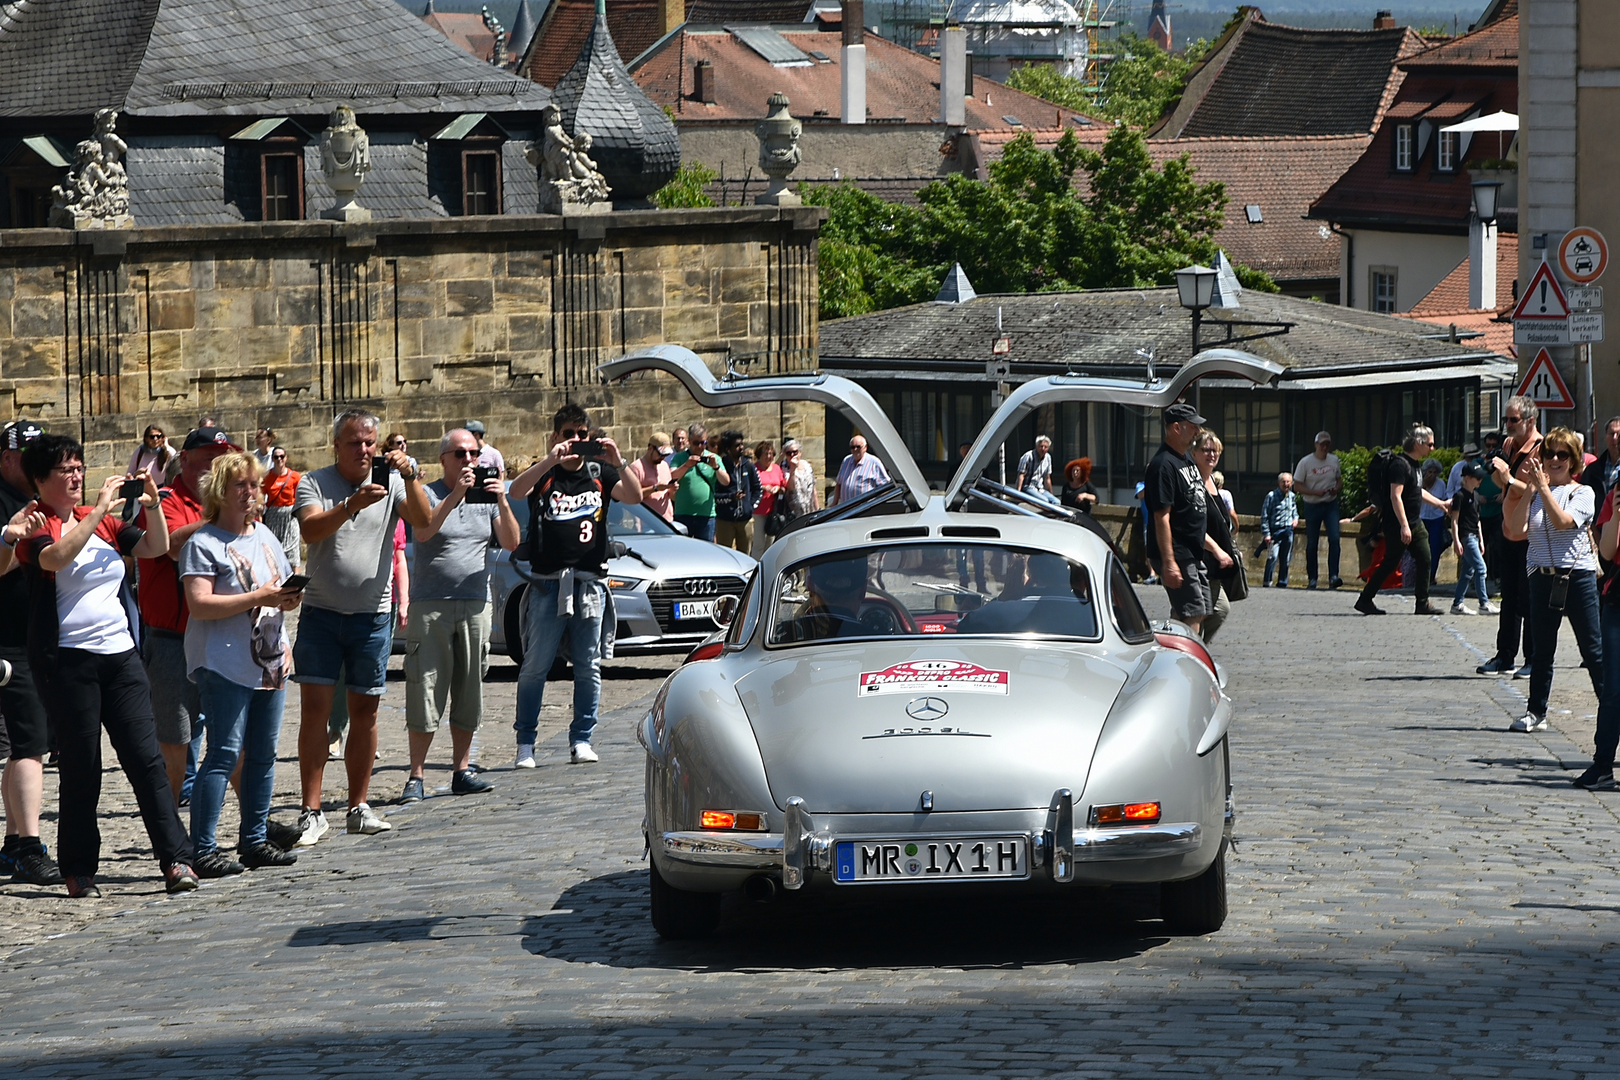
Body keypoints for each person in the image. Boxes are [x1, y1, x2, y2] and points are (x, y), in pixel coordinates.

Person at [11, 434, 197, 897]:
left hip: (120, 656)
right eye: (65, 470)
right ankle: (78, 868)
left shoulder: (109, 529)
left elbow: (154, 548)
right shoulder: (35, 525)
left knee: (146, 759)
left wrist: (152, 504)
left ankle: (177, 859)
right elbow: (54, 558)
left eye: (79, 467)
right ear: (39, 480)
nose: (76, 476)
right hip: (68, 662)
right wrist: (95, 512)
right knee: (82, 766)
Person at [291, 408, 431, 845]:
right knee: (315, 711)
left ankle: (358, 804)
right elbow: (311, 531)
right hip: (321, 613)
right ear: (336, 446)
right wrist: (352, 504)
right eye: (355, 442)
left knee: (365, 713)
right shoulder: (314, 481)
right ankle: (311, 810)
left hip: (372, 616)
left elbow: (424, 524)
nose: (365, 450)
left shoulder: (390, 483)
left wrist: (409, 477)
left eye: (371, 443)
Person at [181, 452, 303, 875]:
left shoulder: (265, 536)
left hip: (270, 661)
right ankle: (205, 849)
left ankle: (254, 840)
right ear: (220, 491)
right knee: (224, 754)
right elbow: (200, 605)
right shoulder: (204, 543)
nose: (250, 492)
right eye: (241, 485)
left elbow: (281, 586)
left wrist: (289, 597)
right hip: (224, 664)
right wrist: (259, 598)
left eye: (254, 484)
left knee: (264, 755)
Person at [509, 405, 643, 768]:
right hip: (547, 584)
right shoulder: (546, 474)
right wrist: (548, 462)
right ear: (555, 436)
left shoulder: (600, 472)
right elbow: (516, 492)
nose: (576, 441)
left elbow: (634, 498)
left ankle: (581, 738)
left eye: (582, 434)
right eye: (569, 433)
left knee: (588, 666)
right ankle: (526, 742)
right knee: (536, 665)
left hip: (588, 582)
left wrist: (620, 459)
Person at [400, 429, 521, 802]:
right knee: (425, 688)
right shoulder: (429, 493)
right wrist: (456, 495)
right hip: (431, 604)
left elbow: (513, 542)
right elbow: (423, 532)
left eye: (474, 454)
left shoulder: (487, 497)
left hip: (474, 604)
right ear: (444, 459)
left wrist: (502, 501)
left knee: (469, 689)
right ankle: (416, 776)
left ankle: (461, 770)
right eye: (461, 454)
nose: (470, 460)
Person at [137, 426, 237, 806]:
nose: (221, 468)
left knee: (230, 736)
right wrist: (222, 518)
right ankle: (168, 828)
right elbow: (175, 546)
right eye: (213, 459)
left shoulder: (222, 507)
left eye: (224, 459)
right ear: (188, 462)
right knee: (175, 743)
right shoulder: (163, 500)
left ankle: (253, 824)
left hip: (218, 635)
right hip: (171, 640)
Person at [1501, 427, 1601, 733]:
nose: (1555, 459)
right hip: (1542, 577)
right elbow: (1515, 530)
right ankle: (1536, 712)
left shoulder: (1581, 492)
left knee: (1593, 650)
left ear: (1573, 461)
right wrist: (1530, 490)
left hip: (1576, 577)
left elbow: (1562, 522)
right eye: (1549, 454)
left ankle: (1611, 707)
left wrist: (1543, 489)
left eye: (1562, 454)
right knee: (1542, 650)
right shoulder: (1535, 492)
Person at [0, 421, 60, 886]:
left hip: (38, 637)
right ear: (6, 458)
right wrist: (10, 536)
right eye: (27, 455)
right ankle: (27, 847)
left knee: (28, 743)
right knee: (29, 744)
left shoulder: (45, 499)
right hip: (8, 641)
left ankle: (12, 844)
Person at [1356, 424, 1448, 616]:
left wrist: (1440, 504)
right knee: (1390, 562)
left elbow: (1417, 490)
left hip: (1415, 522)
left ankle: (1422, 602)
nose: (1432, 448)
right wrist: (1404, 526)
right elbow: (1395, 496)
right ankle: (1365, 599)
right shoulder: (1400, 464)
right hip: (1398, 524)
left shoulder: (1415, 465)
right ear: (1418, 443)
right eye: (1430, 444)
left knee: (1425, 557)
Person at [1479, 399, 1542, 676]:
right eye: (1506, 420)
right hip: (1508, 529)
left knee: (1529, 598)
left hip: (1531, 532)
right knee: (1509, 596)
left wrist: (1508, 478)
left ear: (1530, 420)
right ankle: (1505, 655)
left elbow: (1537, 490)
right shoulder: (1507, 445)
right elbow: (1498, 484)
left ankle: (1533, 658)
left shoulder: (1542, 449)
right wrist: (1496, 472)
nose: (1508, 426)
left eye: (1513, 420)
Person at [1144, 403, 1211, 634]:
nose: (1198, 432)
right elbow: (1161, 516)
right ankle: (1186, 661)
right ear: (1175, 428)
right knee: (1192, 612)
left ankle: (1177, 648)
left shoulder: (1186, 459)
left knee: (1202, 610)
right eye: (1192, 427)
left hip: (1193, 551)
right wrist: (1169, 562)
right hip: (1178, 552)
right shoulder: (1163, 465)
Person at [1581, 485, 1620, 789]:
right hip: (1617, 601)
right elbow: (1607, 553)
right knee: (1613, 690)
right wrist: (1617, 511)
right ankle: (1603, 764)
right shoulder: (1614, 494)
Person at [1194, 430, 1238, 643]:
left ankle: (1197, 650)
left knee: (1219, 609)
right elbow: (1194, 527)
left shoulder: (1211, 479)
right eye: (1206, 450)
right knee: (1196, 613)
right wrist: (1218, 550)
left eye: (1215, 450)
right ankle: (1191, 653)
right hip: (1200, 559)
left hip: (1213, 564)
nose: (1211, 454)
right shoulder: (1193, 483)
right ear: (1194, 453)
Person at [1293, 431, 1343, 589]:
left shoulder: (1334, 460)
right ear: (1316, 445)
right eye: (1322, 444)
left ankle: (1333, 576)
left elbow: (1339, 480)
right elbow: (1297, 485)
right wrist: (1314, 492)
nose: (1325, 447)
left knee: (1334, 539)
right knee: (1312, 543)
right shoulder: (1306, 462)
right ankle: (1312, 578)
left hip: (1330, 504)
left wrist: (1336, 488)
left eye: (1327, 444)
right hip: (1312, 504)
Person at [670, 423, 727, 542]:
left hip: (706, 516)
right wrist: (686, 466)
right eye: (696, 443)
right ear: (689, 441)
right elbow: (671, 477)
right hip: (683, 514)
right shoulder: (679, 458)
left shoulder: (714, 458)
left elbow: (726, 481)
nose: (700, 446)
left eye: (703, 443)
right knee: (682, 552)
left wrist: (716, 467)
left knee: (707, 554)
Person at [1449, 462, 1493, 616]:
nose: (1479, 480)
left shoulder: (1475, 496)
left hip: (1474, 536)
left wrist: (1481, 540)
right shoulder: (1459, 496)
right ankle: (1484, 603)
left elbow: (1477, 520)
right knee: (1481, 569)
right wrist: (1456, 540)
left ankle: (1457, 603)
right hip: (1466, 536)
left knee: (1467, 572)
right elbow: (1454, 520)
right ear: (1467, 478)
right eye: (1476, 477)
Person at [713, 430, 761, 553]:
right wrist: (731, 497)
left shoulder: (748, 466)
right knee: (724, 555)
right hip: (725, 520)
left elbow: (757, 488)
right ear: (728, 449)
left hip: (745, 520)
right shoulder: (721, 466)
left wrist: (750, 507)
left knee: (745, 555)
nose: (741, 448)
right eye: (737, 445)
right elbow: (715, 495)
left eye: (741, 444)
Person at [261, 446, 302, 572]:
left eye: (282, 456)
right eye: (276, 457)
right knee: (274, 550)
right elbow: (261, 498)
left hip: (290, 516)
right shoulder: (268, 477)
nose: (279, 459)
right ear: (272, 459)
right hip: (274, 516)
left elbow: (299, 498)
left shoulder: (294, 476)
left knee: (293, 553)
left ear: (286, 458)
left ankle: (296, 584)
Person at [1259, 472, 1300, 588]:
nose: (1286, 484)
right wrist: (1266, 533)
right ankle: (1267, 581)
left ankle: (1282, 581)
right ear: (1279, 483)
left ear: (1291, 483)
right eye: (1283, 482)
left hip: (1288, 531)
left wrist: (1295, 519)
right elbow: (1265, 515)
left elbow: (1294, 512)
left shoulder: (1292, 496)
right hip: (1274, 532)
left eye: (1288, 482)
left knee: (1286, 558)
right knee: (1272, 556)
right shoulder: (1271, 496)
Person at [1477, 431, 1505, 592]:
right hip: (1482, 512)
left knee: (1498, 546)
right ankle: (1479, 578)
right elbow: (1466, 484)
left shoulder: (1503, 465)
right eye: (1488, 445)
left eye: (1494, 446)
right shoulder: (1479, 463)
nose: (1491, 448)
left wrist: (1504, 494)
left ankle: (1498, 577)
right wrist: (1477, 495)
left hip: (1497, 512)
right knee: (1480, 546)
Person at [628, 433, 675, 523]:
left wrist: (672, 489)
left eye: (665, 455)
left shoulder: (664, 465)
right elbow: (632, 496)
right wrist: (655, 488)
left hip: (667, 521)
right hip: (647, 523)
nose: (663, 458)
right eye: (660, 454)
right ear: (650, 448)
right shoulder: (636, 467)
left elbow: (671, 497)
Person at [833, 435, 890, 505]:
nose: (855, 450)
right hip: (846, 509)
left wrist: (877, 504)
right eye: (852, 447)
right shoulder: (846, 461)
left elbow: (886, 487)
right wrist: (834, 503)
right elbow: (839, 484)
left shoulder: (874, 462)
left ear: (865, 448)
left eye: (858, 447)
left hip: (864, 510)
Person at [751, 440, 785, 558]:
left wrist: (778, 488)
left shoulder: (776, 468)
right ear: (759, 455)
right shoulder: (754, 469)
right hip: (759, 511)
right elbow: (749, 486)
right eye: (766, 453)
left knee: (770, 544)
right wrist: (764, 487)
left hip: (773, 511)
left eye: (771, 453)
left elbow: (783, 486)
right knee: (758, 544)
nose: (769, 456)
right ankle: (754, 570)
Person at [1420, 460, 1451, 585]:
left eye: (1434, 472)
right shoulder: (1420, 483)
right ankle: (1420, 575)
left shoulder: (1441, 484)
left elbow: (1443, 499)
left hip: (1436, 518)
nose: (1432, 475)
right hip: (1422, 517)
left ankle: (1431, 576)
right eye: (1429, 472)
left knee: (1434, 548)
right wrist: (1424, 485)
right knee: (1421, 548)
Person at [1580, 416, 1620, 500]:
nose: (1615, 438)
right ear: (1606, 437)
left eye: (1619, 434)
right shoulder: (1592, 470)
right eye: (1611, 434)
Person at [1016, 436, 1059, 505]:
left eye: (1045, 447)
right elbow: (1021, 475)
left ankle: (1049, 516)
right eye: (1041, 446)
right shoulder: (1028, 456)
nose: (1043, 449)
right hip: (1027, 487)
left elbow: (1047, 478)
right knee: (1044, 501)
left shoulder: (1048, 458)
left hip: (1040, 488)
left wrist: (1051, 493)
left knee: (1056, 502)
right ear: (1037, 446)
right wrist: (1018, 492)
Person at [780, 439, 818, 519]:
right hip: (793, 513)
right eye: (788, 453)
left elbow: (813, 489)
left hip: (809, 510)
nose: (792, 455)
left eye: (795, 452)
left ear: (800, 452)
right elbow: (790, 488)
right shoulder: (783, 468)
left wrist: (817, 509)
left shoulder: (807, 465)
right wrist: (792, 470)